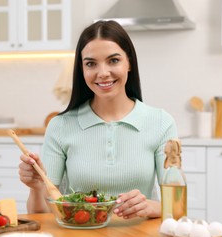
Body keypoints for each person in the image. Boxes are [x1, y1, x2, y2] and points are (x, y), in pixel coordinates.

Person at [18, 20, 178, 219]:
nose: (103, 73)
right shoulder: (60, 126)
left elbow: (177, 207)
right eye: (91, 63)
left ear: (129, 62)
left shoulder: (161, 122)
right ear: (82, 69)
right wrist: (36, 187)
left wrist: (151, 207)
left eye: (113, 60)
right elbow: (41, 214)